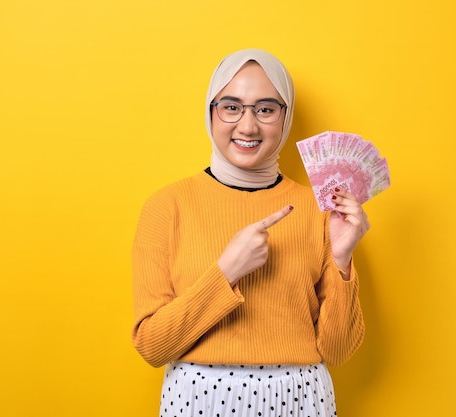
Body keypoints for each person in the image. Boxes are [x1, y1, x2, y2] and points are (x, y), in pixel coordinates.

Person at [131, 48, 370, 417]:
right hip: (198, 400)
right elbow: (152, 346)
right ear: (210, 111)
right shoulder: (168, 206)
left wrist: (341, 259)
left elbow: (337, 352)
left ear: (285, 116)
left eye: (265, 109)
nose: (247, 126)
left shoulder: (321, 209)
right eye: (231, 107)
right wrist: (226, 272)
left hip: (301, 398)